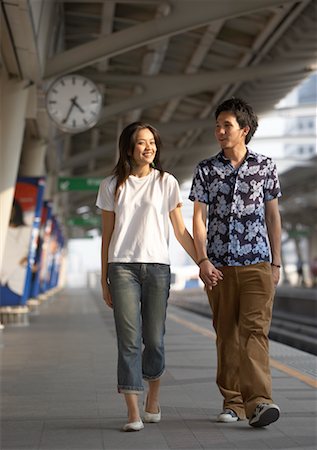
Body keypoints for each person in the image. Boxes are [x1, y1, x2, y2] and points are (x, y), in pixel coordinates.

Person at [96, 121, 215, 432]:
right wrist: (103, 278)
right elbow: (106, 237)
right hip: (121, 267)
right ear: (128, 148)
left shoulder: (167, 183)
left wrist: (202, 261)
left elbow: (179, 230)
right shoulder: (111, 186)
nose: (148, 147)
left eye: (152, 142)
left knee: (155, 340)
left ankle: (153, 400)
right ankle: (133, 411)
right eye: (141, 142)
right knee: (129, 341)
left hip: (158, 269)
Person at [189, 97, 282, 428]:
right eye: (217, 125)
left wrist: (276, 262)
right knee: (227, 333)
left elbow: (272, 215)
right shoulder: (206, 169)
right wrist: (202, 259)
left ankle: (260, 401)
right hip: (220, 267)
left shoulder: (265, 167)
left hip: (258, 263)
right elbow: (198, 218)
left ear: (244, 129)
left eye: (226, 125)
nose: (219, 130)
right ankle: (232, 402)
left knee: (255, 332)